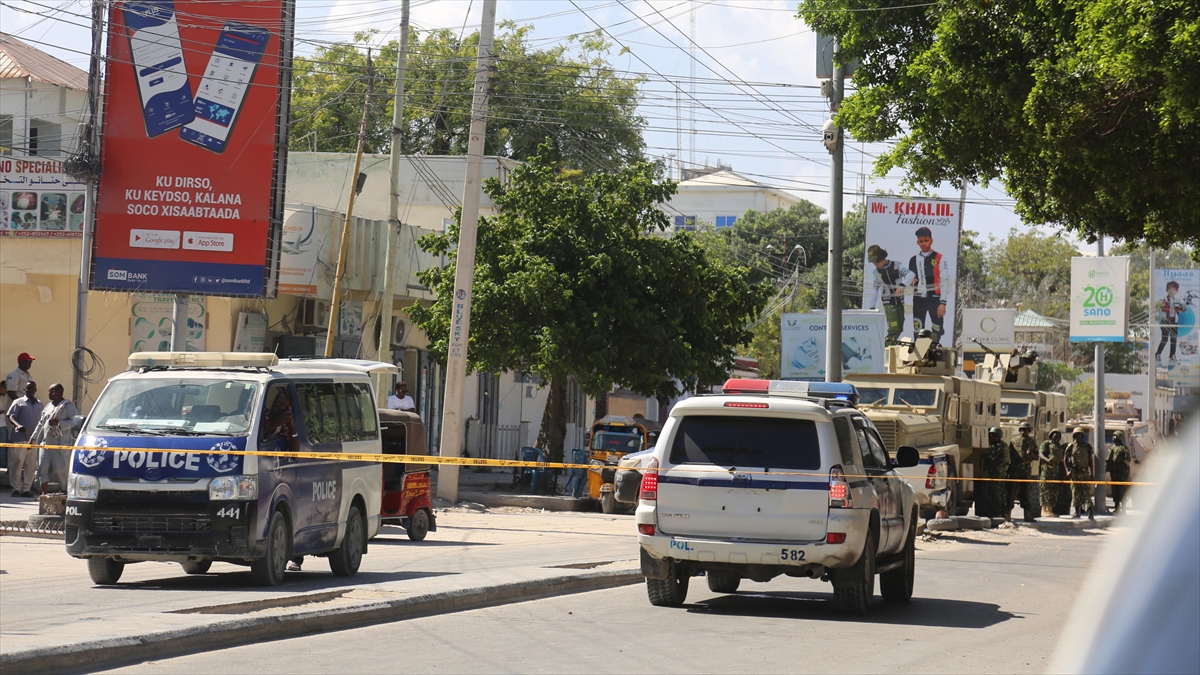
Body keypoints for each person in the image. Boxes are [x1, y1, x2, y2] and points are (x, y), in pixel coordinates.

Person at [30, 383, 78, 494]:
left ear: (56, 392)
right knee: (42, 468)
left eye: (50, 391)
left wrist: (59, 423)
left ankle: (64, 492)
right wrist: (33, 438)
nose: (49, 393)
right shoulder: (48, 406)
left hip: (60, 444)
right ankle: (44, 494)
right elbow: (41, 423)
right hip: (46, 444)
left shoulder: (68, 407)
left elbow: (75, 422)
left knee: (60, 470)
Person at [907, 227, 950, 344]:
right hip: (918, 299)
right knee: (918, 328)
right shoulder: (913, 260)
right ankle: (919, 355)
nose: (923, 244)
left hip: (935, 299)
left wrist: (943, 302)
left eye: (926, 241)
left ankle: (933, 350)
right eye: (921, 241)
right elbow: (910, 278)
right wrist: (910, 282)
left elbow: (944, 281)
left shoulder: (939, 258)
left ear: (931, 240)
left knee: (937, 328)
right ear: (917, 242)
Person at [866, 244, 915, 343]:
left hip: (900, 301)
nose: (875, 264)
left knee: (900, 327)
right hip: (888, 301)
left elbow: (911, 274)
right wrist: (871, 307)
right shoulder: (876, 273)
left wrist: (902, 285)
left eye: (876, 261)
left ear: (882, 258)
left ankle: (890, 345)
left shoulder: (897, 265)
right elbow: (875, 289)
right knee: (893, 327)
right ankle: (887, 348)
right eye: (873, 262)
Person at [6, 381, 44, 498]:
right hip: (20, 438)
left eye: (32, 388)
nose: (30, 390)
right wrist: (17, 425)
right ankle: (16, 488)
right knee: (17, 464)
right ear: (24, 390)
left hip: (33, 440)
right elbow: (10, 416)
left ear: (35, 390)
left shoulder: (39, 404)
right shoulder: (18, 402)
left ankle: (26, 489)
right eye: (28, 389)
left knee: (31, 465)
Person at [1006, 421, 1038, 522]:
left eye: (1026, 430)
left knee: (1026, 492)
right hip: (1014, 470)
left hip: (1026, 471)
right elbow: (1009, 455)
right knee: (1011, 492)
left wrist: (1031, 454)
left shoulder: (1032, 442)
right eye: (1022, 429)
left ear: (1029, 431)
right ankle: (1007, 515)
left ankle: (1027, 515)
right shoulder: (1013, 441)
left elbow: (1037, 457)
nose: (1024, 431)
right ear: (1020, 430)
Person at [977, 426, 1010, 519]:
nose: (992, 438)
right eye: (991, 436)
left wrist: (984, 456)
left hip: (997, 473)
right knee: (1001, 493)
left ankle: (997, 514)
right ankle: (1004, 513)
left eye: (994, 436)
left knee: (995, 494)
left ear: (998, 436)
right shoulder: (1004, 445)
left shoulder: (998, 446)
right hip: (1002, 472)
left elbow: (991, 459)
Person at [1065, 427, 1095, 519]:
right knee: (1075, 492)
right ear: (1074, 436)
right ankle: (1077, 512)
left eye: (1080, 434)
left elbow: (1090, 461)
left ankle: (1090, 511)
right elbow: (1065, 459)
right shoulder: (1070, 446)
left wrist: (1092, 473)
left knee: (1085, 492)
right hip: (1074, 472)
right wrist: (1067, 471)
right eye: (1076, 434)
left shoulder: (1087, 446)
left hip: (1084, 472)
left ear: (1082, 436)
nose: (1078, 436)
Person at [1038, 428, 1067, 518]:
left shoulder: (1060, 447)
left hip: (1056, 473)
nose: (1057, 437)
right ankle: (1044, 510)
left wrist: (1063, 473)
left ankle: (1050, 510)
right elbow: (1040, 454)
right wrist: (1047, 460)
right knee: (1045, 491)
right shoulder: (1046, 444)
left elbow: (1062, 461)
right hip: (1047, 472)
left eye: (1058, 435)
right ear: (1051, 435)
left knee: (1053, 491)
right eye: (1055, 435)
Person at [1105, 430, 1137, 512]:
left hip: (1122, 474)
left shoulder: (1124, 448)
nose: (1113, 438)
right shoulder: (1113, 448)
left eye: (1115, 436)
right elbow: (1109, 460)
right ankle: (1116, 507)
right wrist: (1107, 468)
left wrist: (1119, 465)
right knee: (1115, 490)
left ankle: (1124, 508)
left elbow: (1127, 460)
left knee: (1122, 491)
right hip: (1114, 473)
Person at [1156, 280, 1185, 366]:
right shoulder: (1163, 300)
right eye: (1170, 290)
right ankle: (1158, 354)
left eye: (1174, 290)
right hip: (1165, 321)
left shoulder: (1178, 301)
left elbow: (1183, 309)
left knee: (1174, 339)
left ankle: (1172, 355)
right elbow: (1159, 308)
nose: (1171, 292)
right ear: (1166, 290)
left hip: (1174, 321)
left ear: (1177, 291)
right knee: (1164, 339)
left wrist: (1182, 306)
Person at [261, 389, 299, 453]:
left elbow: (294, 453)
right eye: (276, 401)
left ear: (287, 408)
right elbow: (257, 437)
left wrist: (293, 427)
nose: (277, 405)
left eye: (282, 404)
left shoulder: (285, 425)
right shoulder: (262, 414)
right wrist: (276, 424)